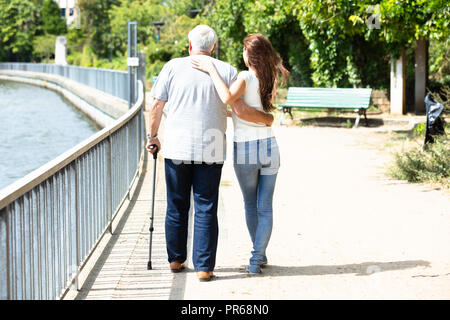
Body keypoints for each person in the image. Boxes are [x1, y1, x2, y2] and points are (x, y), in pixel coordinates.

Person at [146, 25, 274, 281]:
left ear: (189, 45)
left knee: (176, 205)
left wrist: (152, 137)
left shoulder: (171, 66)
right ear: (213, 47)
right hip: (212, 146)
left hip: (178, 146)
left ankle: (176, 260)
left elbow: (157, 105)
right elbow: (237, 108)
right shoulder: (226, 70)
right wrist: (267, 118)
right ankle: (204, 268)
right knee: (205, 206)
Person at [191, 33, 289, 274]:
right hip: (269, 146)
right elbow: (247, 111)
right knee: (265, 207)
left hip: (246, 149)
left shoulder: (245, 76)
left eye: (244, 50)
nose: (242, 54)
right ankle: (258, 258)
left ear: (250, 55)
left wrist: (210, 68)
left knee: (250, 204)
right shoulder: (270, 77)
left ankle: (257, 258)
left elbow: (226, 98)